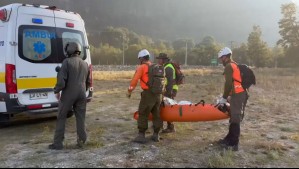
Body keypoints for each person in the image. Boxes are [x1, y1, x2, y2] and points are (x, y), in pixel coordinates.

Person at [49, 42, 91, 150]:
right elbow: (88, 81)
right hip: (82, 94)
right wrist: (83, 90)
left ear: (69, 50)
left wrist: (56, 91)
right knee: (81, 118)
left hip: (68, 93)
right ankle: (82, 142)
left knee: (61, 117)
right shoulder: (85, 63)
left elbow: (61, 82)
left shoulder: (66, 62)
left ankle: (58, 143)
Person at [127, 49, 163, 143]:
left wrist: (129, 91)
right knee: (157, 114)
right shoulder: (155, 66)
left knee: (143, 113)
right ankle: (156, 135)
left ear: (142, 58)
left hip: (148, 94)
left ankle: (141, 136)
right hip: (158, 94)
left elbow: (134, 80)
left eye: (139, 58)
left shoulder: (142, 67)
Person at [217, 47, 248, 151]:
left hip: (238, 94)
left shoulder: (229, 66)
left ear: (225, 57)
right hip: (237, 93)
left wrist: (224, 98)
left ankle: (234, 144)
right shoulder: (234, 64)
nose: (220, 60)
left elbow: (228, 84)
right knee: (233, 117)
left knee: (235, 117)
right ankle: (229, 138)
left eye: (221, 58)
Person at [156, 53, 178, 133]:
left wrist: (167, 95)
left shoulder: (168, 68)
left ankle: (170, 127)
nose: (158, 60)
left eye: (159, 59)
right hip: (169, 91)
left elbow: (170, 82)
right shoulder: (166, 66)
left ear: (164, 59)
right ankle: (168, 126)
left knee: (168, 109)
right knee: (166, 108)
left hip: (169, 92)